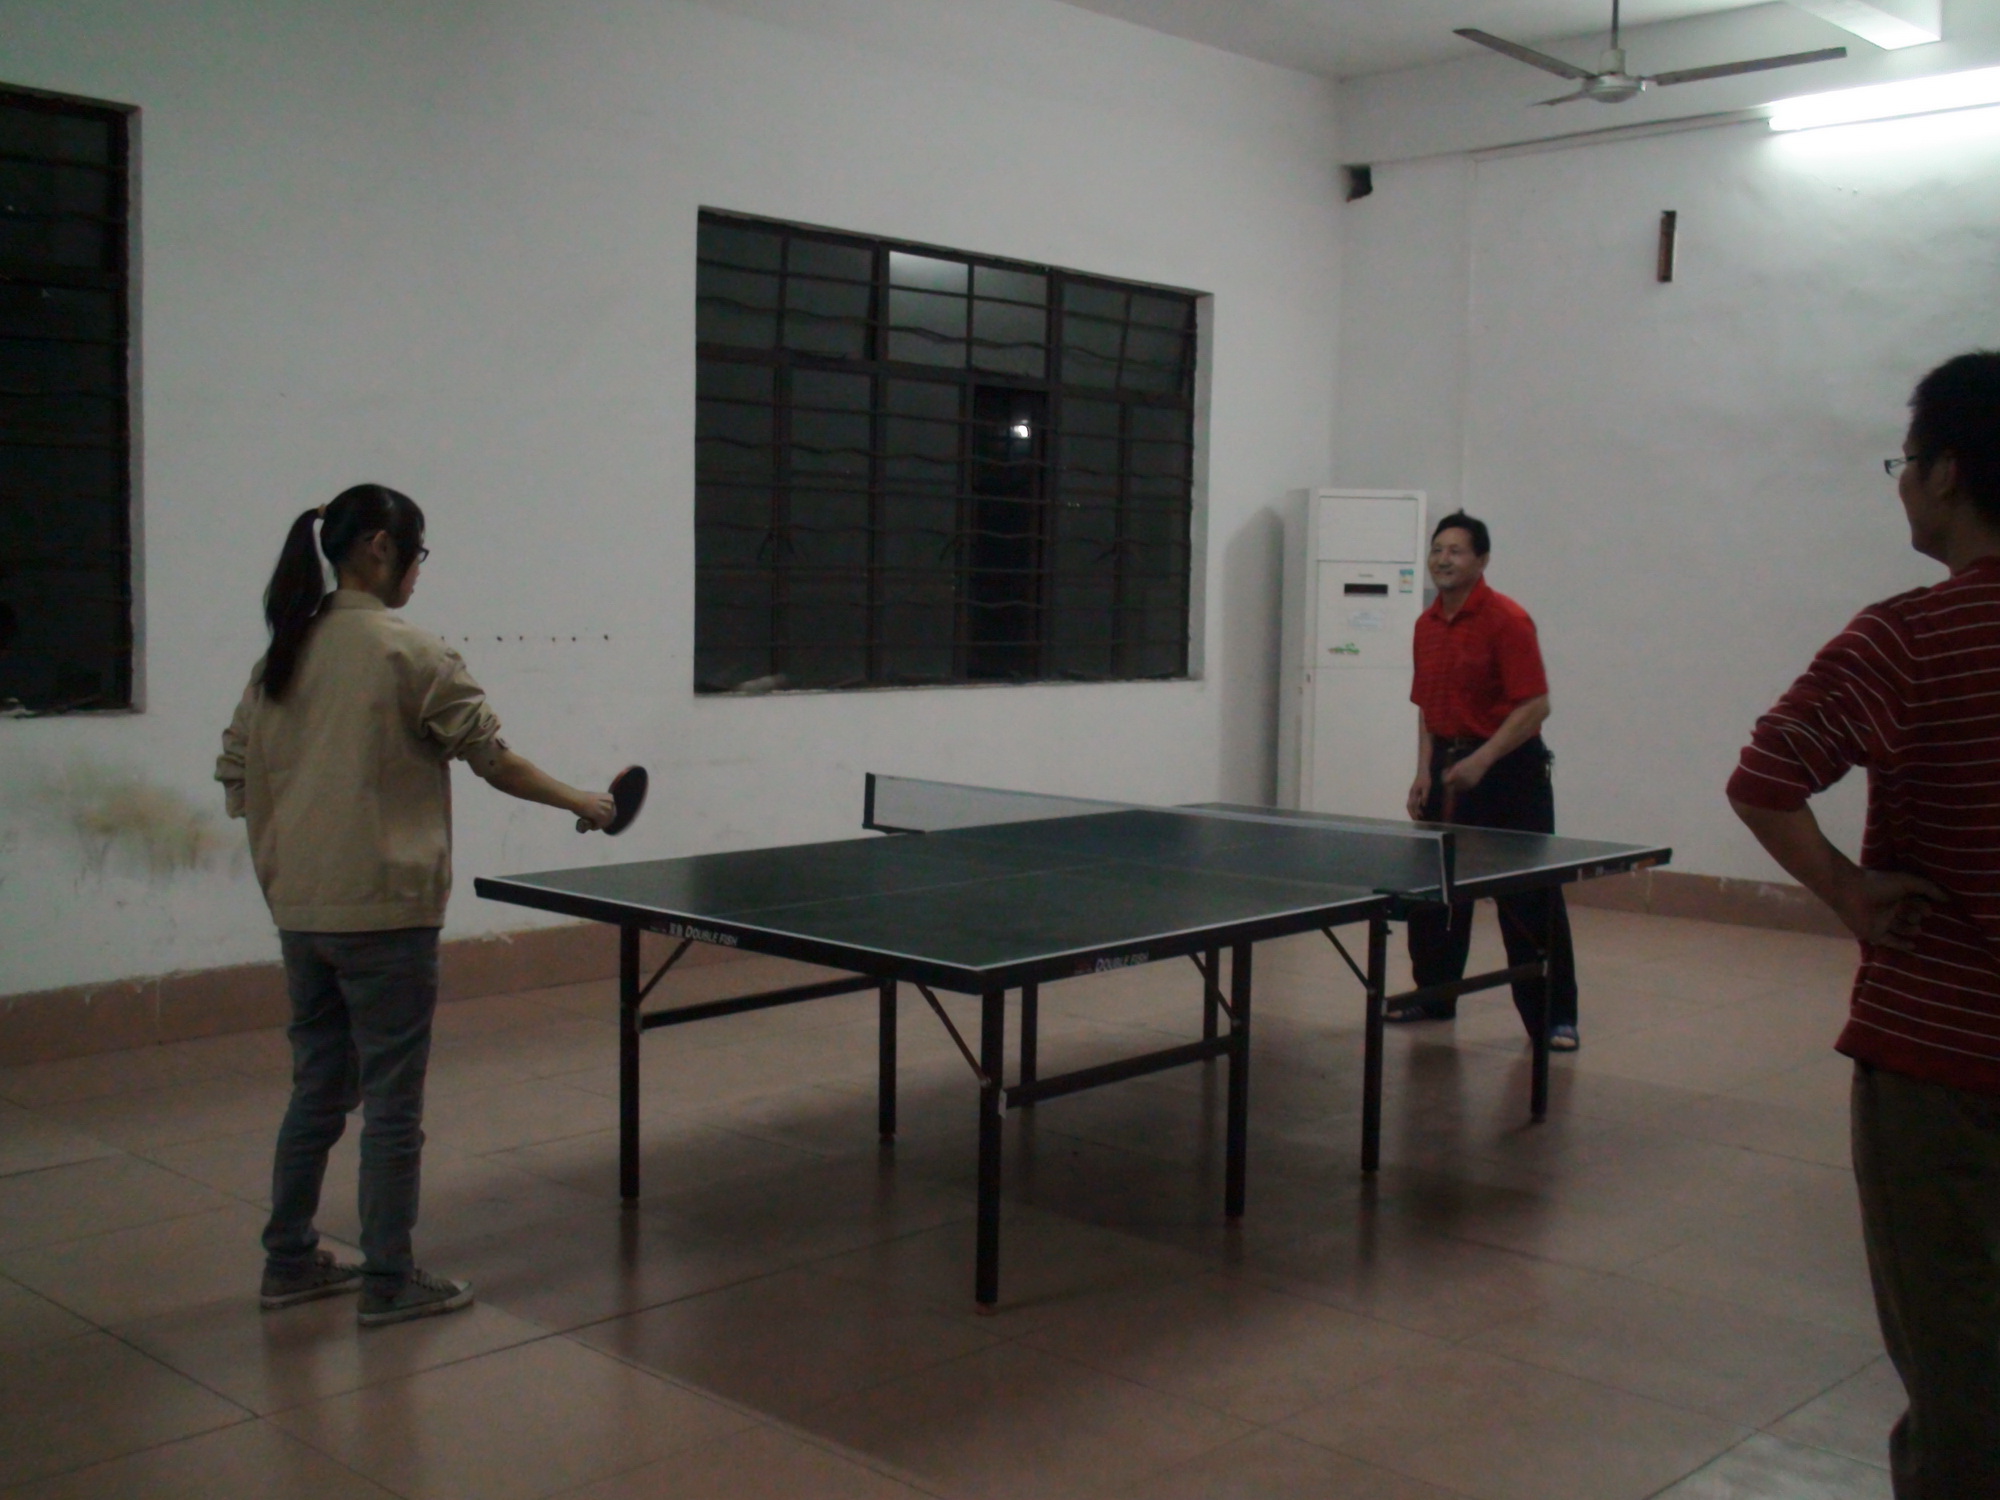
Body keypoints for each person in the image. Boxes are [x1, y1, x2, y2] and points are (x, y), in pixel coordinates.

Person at [217, 484, 616, 1327]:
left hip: (301, 914)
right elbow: (493, 759)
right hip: (387, 916)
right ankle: (390, 1280)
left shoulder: (282, 655)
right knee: (393, 1107)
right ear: (377, 548)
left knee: (317, 1092)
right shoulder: (410, 651)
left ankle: (288, 1262)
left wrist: (289, 854)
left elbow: (234, 770)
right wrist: (583, 801)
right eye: (417, 554)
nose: (418, 573)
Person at [1728, 352, 2000, 1498]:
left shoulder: (1907, 638)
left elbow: (1763, 778)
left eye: (1904, 461)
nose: (1899, 484)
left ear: (1945, 473)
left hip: (1941, 1054)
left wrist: (1844, 890)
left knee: (1960, 1370)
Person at [1388, 512, 1580, 1051]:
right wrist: (1423, 770)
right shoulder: (1426, 625)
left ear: (1482, 560)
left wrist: (1484, 759)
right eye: (1437, 549)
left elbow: (1535, 705)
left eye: (1456, 551)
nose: (1443, 559)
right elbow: (1428, 707)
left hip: (1510, 771)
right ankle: (1435, 995)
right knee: (1436, 894)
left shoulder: (1507, 620)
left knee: (1528, 897)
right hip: (1447, 768)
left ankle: (1554, 1017)